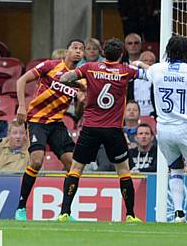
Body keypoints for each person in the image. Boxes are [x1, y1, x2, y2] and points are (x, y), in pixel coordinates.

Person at [56, 38, 143, 222]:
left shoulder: (89, 68)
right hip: (113, 129)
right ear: (121, 54)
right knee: (124, 171)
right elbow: (148, 75)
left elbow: (63, 78)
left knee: (76, 168)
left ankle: (64, 212)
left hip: (90, 128)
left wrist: (79, 85)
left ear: (103, 52)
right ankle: (130, 215)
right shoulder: (125, 71)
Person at [142, 35, 187, 223]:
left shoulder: (157, 69)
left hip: (164, 129)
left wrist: (139, 64)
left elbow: (146, 72)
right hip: (185, 127)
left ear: (167, 50)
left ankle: (178, 213)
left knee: (175, 169)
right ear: (186, 52)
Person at [13, 39, 85, 221]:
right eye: (74, 48)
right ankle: (21, 208)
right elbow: (22, 80)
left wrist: (82, 102)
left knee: (73, 165)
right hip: (37, 120)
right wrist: (22, 106)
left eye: (81, 50)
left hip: (57, 123)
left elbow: (77, 111)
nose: (78, 52)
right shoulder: (50, 66)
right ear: (67, 51)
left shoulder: (79, 78)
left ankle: (65, 213)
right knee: (36, 162)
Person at [129, 51, 156, 116]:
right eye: (145, 60)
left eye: (151, 61)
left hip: (151, 113)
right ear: (140, 62)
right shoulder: (132, 79)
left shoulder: (156, 80)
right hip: (134, 114)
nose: (148, 63)